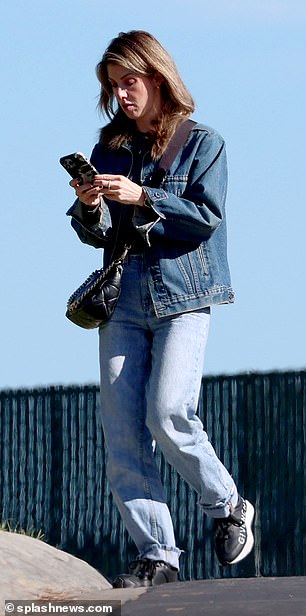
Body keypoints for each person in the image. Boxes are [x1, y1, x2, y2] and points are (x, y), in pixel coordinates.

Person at [67, 30, 255, 588]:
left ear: (157, 76)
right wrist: (89, 207)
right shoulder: (110, 147)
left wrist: (144, 195)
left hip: (184, 297)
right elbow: (95, 234)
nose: (122, 94)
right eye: (113, 86)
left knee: (169, 412)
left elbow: (204, 216)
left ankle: (228, 506)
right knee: (123, 434)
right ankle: (157, 557)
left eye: (130, 81)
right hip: (123, 300)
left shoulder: (204, 143)